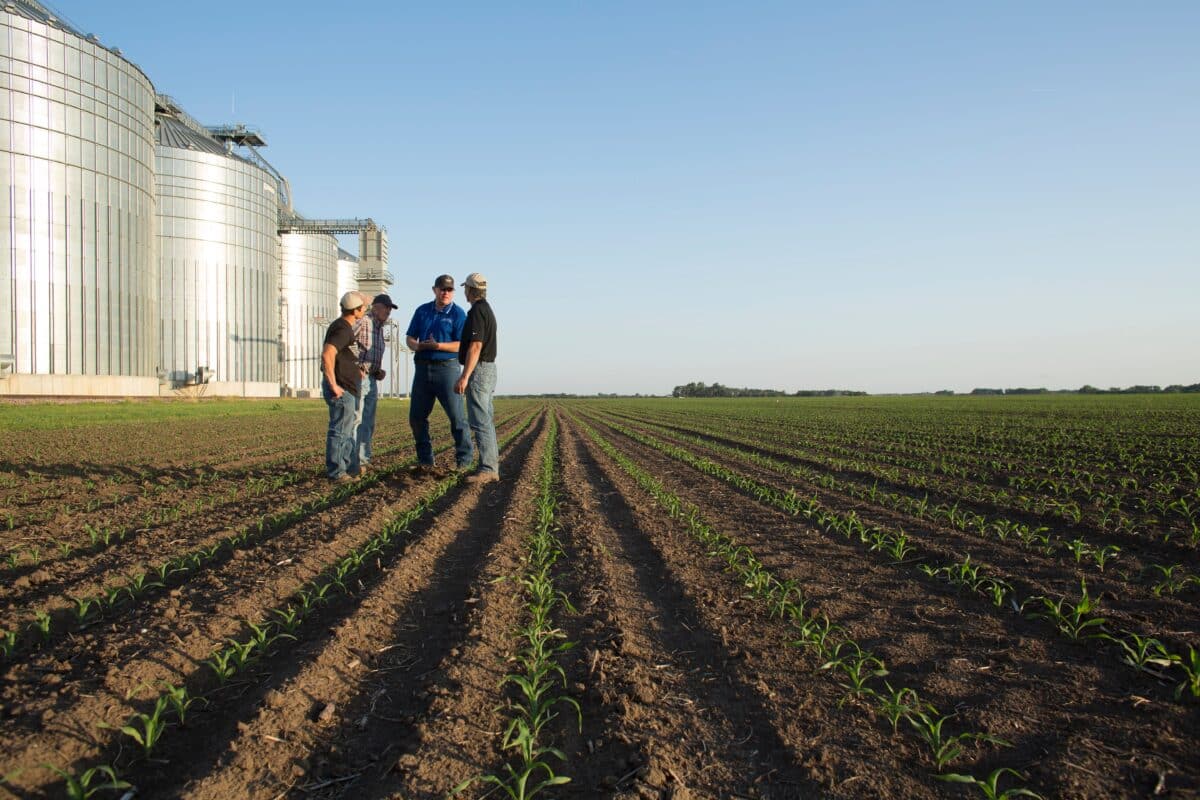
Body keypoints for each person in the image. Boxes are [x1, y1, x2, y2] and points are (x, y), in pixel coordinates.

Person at [405, 274, 473, 472]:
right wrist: (417, 346)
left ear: (453, 292)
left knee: (457, 418)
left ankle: (464, 462)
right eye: (442, 289)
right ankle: (425, 461)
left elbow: (462, 345)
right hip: (422, 367)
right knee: (416, 417)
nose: (445, 293)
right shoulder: (422, 311)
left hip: (447, 369)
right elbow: (410, 336)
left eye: (449, 290)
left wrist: (438, 345)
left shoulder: (458, 314)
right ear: (434, 290)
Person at [454, 272, 499, 483]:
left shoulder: (477, 312)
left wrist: (465, 376)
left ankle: (488, 468)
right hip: (488, 369)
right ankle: (490, 466)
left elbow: (476, 346)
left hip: (480, 369)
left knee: (480, 420)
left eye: (466, 289)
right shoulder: (486, 309)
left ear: (471, 290)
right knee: (485, 418)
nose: (464, 292)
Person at [322, 291, 368, 482]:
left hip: (347, 386)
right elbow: (328, 354)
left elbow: (341, 356)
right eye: (363, 308)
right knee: (340, 430)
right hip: (340, 387)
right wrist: (333, 384)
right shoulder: (342, 329)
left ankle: (346, 470)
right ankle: (337, 472)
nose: (364, 310)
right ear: (356, 310)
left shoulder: (344, 327)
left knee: (347, 430)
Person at [353, 293, 399, 473]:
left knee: (368, 421)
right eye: (386, 307)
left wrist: (378, 370)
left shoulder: (379, 328)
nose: (388, 311)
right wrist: (356, 366)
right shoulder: (363, 322)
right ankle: (353, 461)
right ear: (375, 307)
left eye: (390, 309)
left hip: (371, 379)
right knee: (356, 420)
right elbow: (345, 342)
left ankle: (363, 459)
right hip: (359, 377)